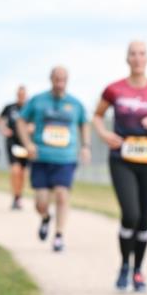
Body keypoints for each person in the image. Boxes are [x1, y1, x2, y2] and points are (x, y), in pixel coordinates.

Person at [93, 41, 147, 293]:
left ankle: (138, 269)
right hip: (122, 159)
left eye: (142, 54)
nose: (138, 58)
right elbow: (97, 116)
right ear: (127, 58)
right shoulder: (114, 89)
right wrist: (104, 134)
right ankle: (124, 266)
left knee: (145, 217)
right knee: (130, 214)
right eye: (133, 54)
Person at [15, 66, 90, 253]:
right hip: (41, 157)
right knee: (40, 202)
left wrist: (85, 146)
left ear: (67, 80)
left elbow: (84, 124)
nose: (59, 82)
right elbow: (21, 121)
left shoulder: (75, 104)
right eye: (57, 78)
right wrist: (27, 144)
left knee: (62, 194)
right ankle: (46, 217)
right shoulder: (38, 100)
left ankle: (59, 236)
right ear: (51, 79)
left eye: (63, 79)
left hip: (65, 158)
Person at [0, 85, 29, 210]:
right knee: (15, 170)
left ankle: (19, 195)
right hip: (12, 142)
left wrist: (31, 128)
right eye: (19, 94)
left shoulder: (30, 107)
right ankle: (15, 196)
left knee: (23, 173)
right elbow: (0, 120)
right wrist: (3, 129)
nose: (21, 97)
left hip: (25, 142)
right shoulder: (10, 107)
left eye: (23, 94)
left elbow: (36, 122)